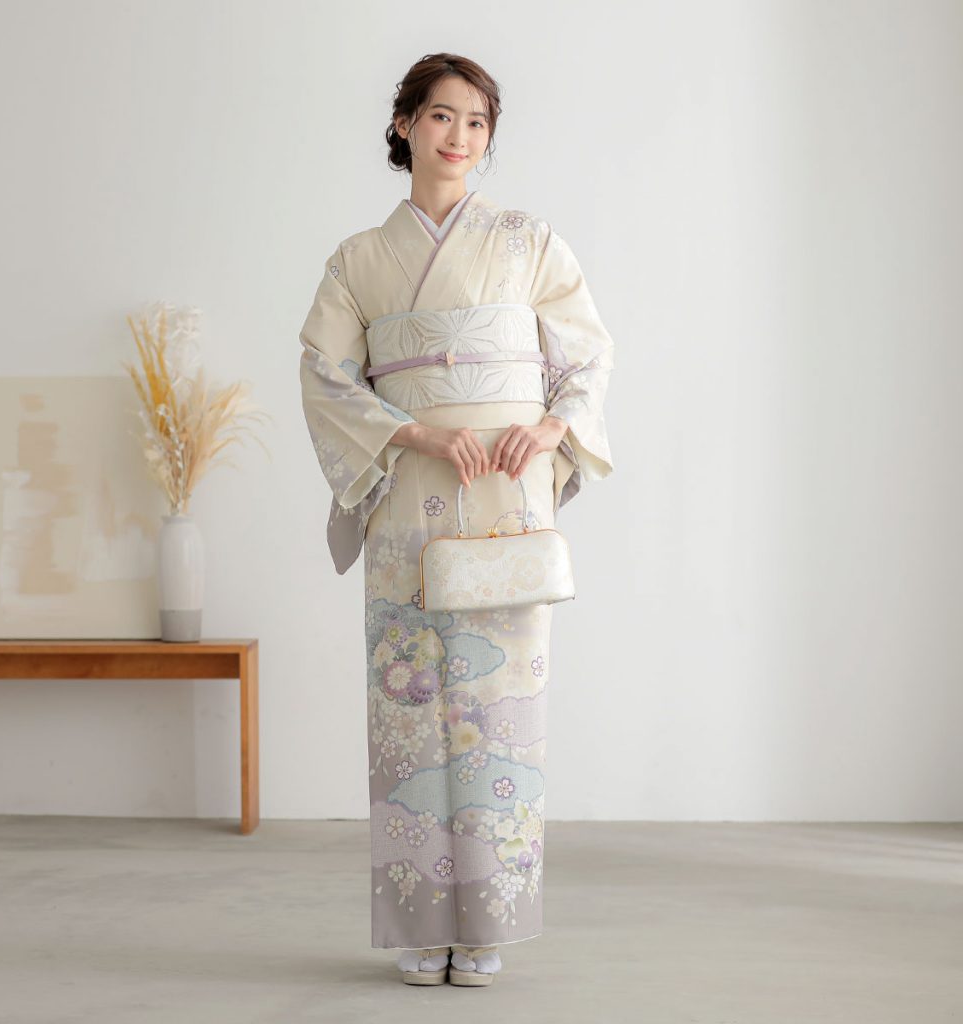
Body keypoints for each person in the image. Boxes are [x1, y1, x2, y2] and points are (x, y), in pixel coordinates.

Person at [299, 53, 614, 987]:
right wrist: (415, 431)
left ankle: (488, 923)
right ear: (404, 124)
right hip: (410, 489)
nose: (459, 136)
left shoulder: (529, 241)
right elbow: (325, 374)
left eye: (477, 122)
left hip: (505, 492)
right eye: (442, 116)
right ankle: (418, 918)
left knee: (501, 706)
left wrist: (552, 426)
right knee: (410, 706)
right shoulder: (358, 260)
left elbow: (588, 353)